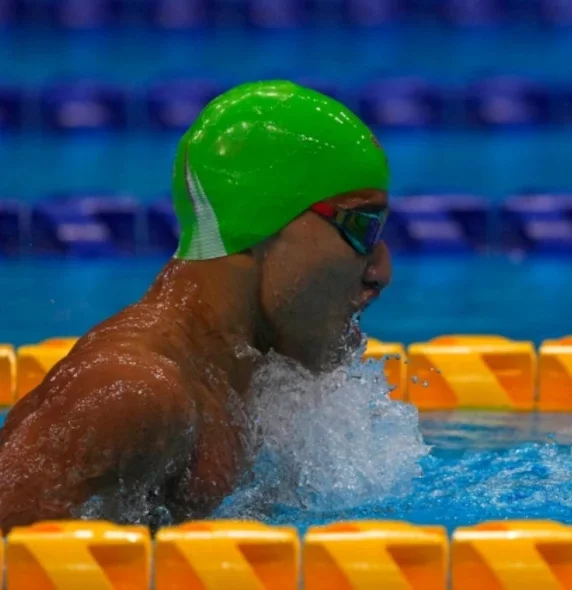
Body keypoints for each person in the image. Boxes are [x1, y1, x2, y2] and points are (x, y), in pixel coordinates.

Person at [0, 80, 394, 530]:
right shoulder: (130, 393)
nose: (380, 272)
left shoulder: (254, 376)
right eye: (363, 228)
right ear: (258, 219)